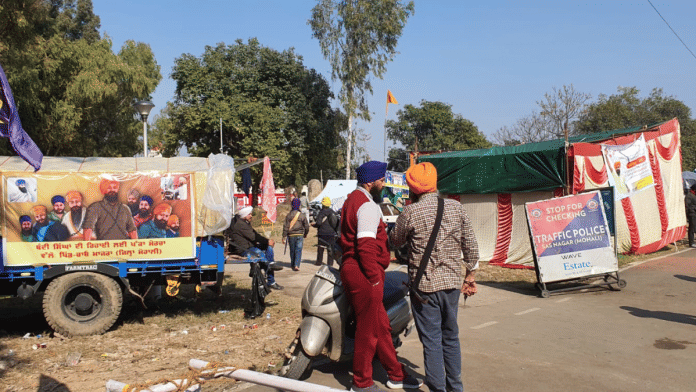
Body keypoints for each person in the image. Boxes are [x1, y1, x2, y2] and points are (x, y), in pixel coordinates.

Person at [389, 162, 479, 392]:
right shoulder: (456, 208)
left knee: (432, 341)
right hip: (451, 284)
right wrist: (470, 277)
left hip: (424, 288)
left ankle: (438, 388)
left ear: (413, 189)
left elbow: (395, 241)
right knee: (451, 337)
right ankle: (455, 388)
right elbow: (471, 245)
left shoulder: (411, 211)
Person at [339, 160, 422, 392]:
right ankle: (361, 382)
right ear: (370, 181)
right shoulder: (366, 205)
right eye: (381, 179)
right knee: (367, 331)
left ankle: (396, 373)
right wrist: (374, 277)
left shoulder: (351, 200)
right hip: (364, 271)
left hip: (356, 268)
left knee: (380, 326)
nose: (383, 182)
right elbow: (365, 245)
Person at [227, 206, 283, 290]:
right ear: (245, 215)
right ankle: (268, 275)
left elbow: (255, 234)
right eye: (249, 214)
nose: (251, 216)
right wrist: (267, 241)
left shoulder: (244, 222)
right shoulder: (240, 224)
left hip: (250, 246)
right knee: (260, 255)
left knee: (269, 249)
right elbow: (254, 237)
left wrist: (267, 241)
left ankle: (270, 265)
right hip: (243, 249)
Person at [283, 198, 309, 271]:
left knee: (292, 250)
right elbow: (306, 226)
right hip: (300, 235)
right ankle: (296, 265)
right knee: (298, 250)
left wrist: (284, 236)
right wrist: (306, 233)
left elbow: (286, 226)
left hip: (291, 235)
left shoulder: (289, 215)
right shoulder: (302, 215)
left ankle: (292, 264)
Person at [313, 196, 340, 266]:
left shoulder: (321, 212)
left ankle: (319, 262)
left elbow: (318, 223)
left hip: (322, 233)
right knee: (330, 249)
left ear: (322, 204)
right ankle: (330, 264)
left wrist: (314, 225)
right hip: (331, 233)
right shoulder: (333, 212)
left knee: (320, 248)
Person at [685, 184, 696, 248]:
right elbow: (687, 206)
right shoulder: (689, 196)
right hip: (692, 214)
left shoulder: (694, 195)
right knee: (692, 228)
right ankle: (691, 243)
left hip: (694, 214)